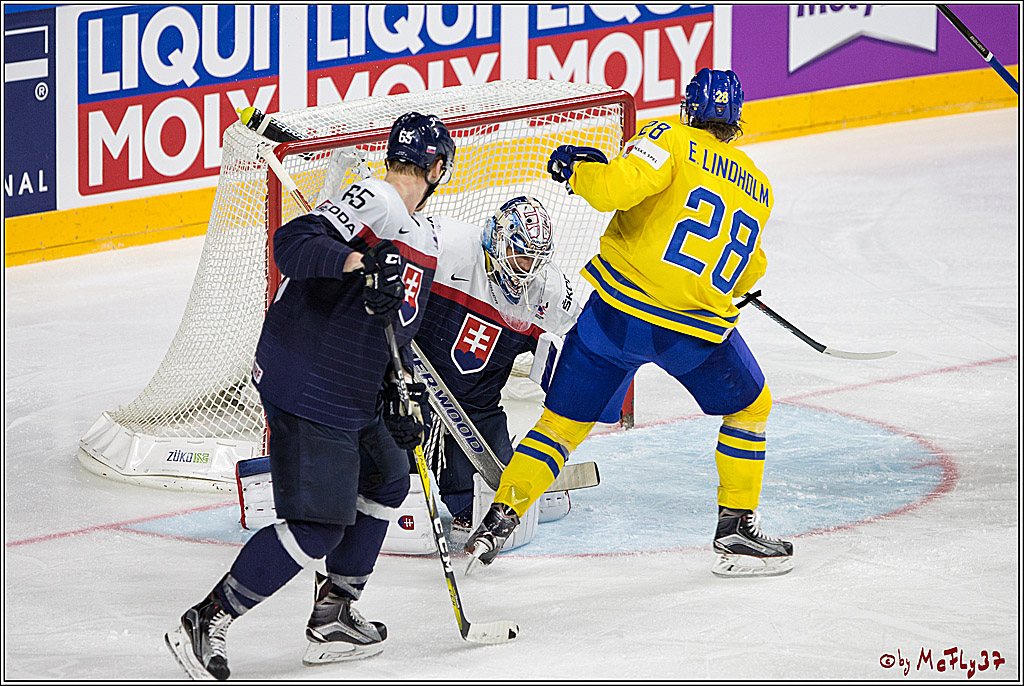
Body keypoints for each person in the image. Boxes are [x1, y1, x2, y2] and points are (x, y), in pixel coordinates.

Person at [465, 68, 794, 579]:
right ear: (735, 121)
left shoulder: (668, 137)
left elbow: (615, 189)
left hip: (616, 319)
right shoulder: (760, 186)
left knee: (559, 428)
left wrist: (577, 171)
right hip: (693, 332)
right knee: (752, 407)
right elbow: (749, 266)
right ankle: (734, 526)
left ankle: (499, 520)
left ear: (690, 109)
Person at [164, 111, 455, 680]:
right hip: (309, 382)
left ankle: (335, 616)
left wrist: (396, 392)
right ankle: (207, 618)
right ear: (438, 166)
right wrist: (353, 260)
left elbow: (384, 322)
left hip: (350, 386)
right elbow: (293, 242)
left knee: (389, 477)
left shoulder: (418, 235)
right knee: (318, 525)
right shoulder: (376, 198)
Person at [408, 196, 590, 540]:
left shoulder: (546, 291)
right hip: (409, 390)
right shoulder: (448, 244)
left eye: (535, 260)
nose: (526, 269)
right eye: (520, 255)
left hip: (475, 411)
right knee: (389, 490)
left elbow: (579, 345)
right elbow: (390, 258)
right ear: (497, 237)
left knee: (479, 510)